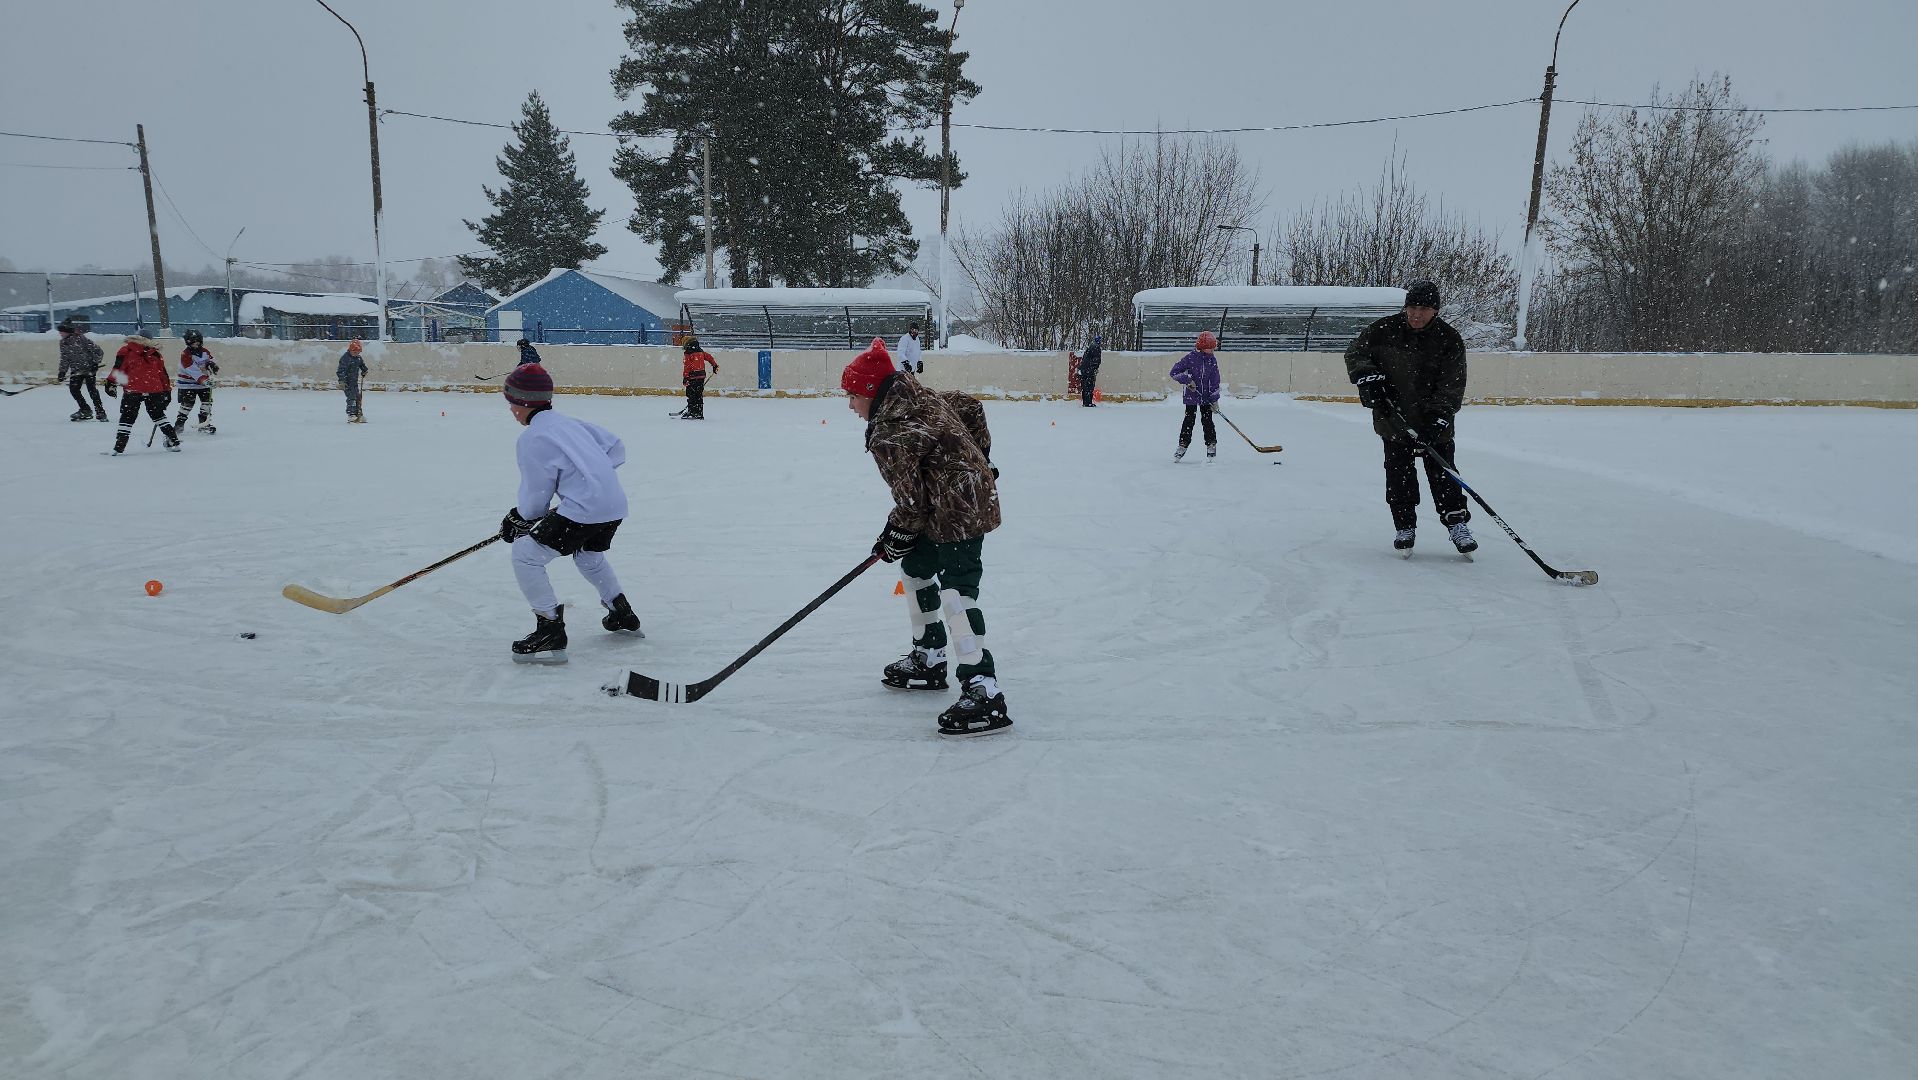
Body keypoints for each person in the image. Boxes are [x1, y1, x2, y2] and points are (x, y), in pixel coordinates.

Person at [841, 338, 1010, 737]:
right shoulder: (919, 397)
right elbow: (971, 406)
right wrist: (978, 461)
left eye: (851, 396)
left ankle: (983, 687)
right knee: (916, 567)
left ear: (869, 392)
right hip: (951, 503)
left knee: (957, 593)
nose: (849, 405)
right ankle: (930, 655)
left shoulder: (890, 433)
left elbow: (911, 504)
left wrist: (894, 534)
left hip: (959, 513)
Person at [496, 363, 642, 663]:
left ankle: (549, 630)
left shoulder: (533, 438)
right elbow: (615, 448)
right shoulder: (572, 423)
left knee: (525, 554)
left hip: (586, 507)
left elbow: (536, 495)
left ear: (523, 402)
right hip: (613, 503)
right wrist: (592, 480)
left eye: (511, 402)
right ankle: (621, 612)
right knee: (589, 555)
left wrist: (521, 518)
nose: (510, 410)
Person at [1343, 279, 1476, 556]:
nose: (1416, 314)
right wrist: (1369, 378)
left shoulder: (1448, 339)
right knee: (1398, 475)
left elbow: (1453, 383)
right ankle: (1404, 525)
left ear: (1435, 311)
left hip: (1433, 422)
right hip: (1394, 418)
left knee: (1443, 474)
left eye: (1424, 308)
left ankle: (1457, 523)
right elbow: (1355, 352)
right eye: (1412, 307)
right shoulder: (1383, 330)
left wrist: (1438, 417)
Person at [105, 333, 179, 455]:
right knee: (158, 415)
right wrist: (167, 391)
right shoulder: (155, 353)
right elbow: (163, 375)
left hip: (133, 389)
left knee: (127, 416)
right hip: (155, 390)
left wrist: (110, 382)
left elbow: (118, 368)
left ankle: (119, 446)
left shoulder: (127, 350)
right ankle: (174, 440)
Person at [1168, 331, 1221, 461]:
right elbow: (1174, 372)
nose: (1212, 350)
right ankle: (1183, 445)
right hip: (1192, 396)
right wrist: (1187, 380)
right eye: (1210, 347)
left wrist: (1214, 399)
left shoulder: (1212, 360)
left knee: (1207, 420)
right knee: (1189, 421)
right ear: (1202, 347)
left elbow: (1215, 380)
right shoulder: (1190, 358)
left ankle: (1211, 444)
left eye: (1213, 347)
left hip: (1206, 397)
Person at [56, 320, 107, 422]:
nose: (60, 333)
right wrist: (62, 372)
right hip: (76, 370)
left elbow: (98, 351)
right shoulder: (63, 343)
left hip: (89, 369)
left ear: (68, 331)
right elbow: (64, 359)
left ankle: (100, 412)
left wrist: (95, 363)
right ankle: (85, 410)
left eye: (61, 331)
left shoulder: (81, 339)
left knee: (92, 390)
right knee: (74, 390)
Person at [171, 329, 218, 435]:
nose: (196, 343)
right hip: (188, 384)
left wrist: (212, 365)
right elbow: (193, 370)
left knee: (207, 403)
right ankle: (179, 424)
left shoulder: (205, 352)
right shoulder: (186, 354)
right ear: (188, 342)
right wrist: (204, 380)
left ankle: (204, 423)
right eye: (193, 341)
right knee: (187, 404)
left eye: (198, 341)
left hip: (203, 384)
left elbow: (210, 360)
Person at [678, 336, 718, 419]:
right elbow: (709, 357)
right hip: (701, 377)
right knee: (698, 395)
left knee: (691, 395)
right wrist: (714, 365)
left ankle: (692, 412)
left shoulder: (688, 353)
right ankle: (699, 413)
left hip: (692, 377)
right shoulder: (700, 351)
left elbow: (687, 367)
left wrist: (685, 378)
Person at [337, 339, 367, 423]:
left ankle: (358, 414)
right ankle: (351, 414)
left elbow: (362, 364)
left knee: (358, 397)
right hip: (347, 383)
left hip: (354, 382)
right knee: (351, 398)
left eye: (358, 352)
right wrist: (342, 381)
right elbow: (341, 371)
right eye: (355, 352)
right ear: (350, 350)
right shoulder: (345, 358)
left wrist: (364, 370)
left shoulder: (358, 358)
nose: (356, 354)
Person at [1079, 333, 1103, 407]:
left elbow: (1085, 360)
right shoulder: (1096, 348)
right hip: (1089, 370)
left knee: (1085, 386)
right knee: (1089, 386)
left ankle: (1085, 402)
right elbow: (1096, 360)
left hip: (1084, 370)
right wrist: (1094, 369)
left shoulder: (1090, 347)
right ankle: (1088, 402)